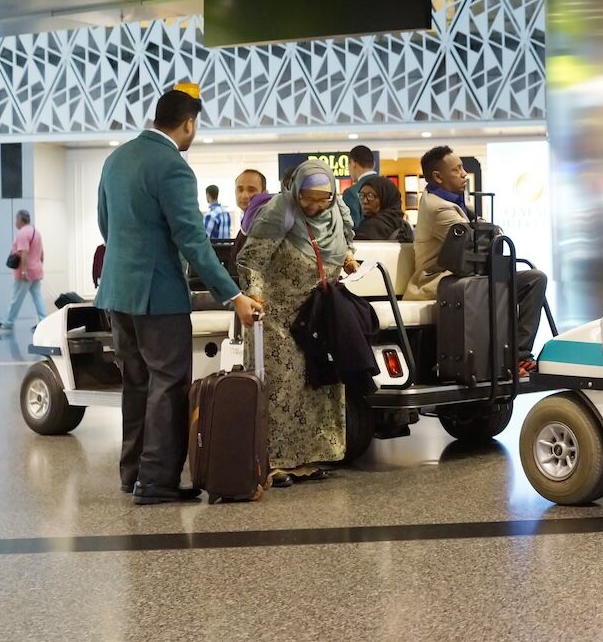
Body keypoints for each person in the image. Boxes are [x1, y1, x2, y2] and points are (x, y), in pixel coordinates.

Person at [96, 85, 262, 505]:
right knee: (168, 383)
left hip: (117, 292)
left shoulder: (116, 159)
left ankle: (132, 471)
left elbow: (106, 225)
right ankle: (155, 483)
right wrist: (233, 296)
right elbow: (191, 240)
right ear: (189, 123)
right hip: (158, 296)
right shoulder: (173, 166)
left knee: (136, 383)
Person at [236, 159, 360, 487]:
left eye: (324, 199)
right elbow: (252, 260)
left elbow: (344, 243)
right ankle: (275, 461)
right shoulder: (280, 212)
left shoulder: (338, 215)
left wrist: (348, 258)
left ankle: (310, 458)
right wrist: (255, 295)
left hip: (318, 315)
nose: (316, 206)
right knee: (282, 389)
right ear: (295, 193)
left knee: (317, 385)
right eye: (308, 198)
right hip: (278, 317)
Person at [405, 145, 547, 371]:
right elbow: (478, 246)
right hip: (439, 280)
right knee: (530, 280)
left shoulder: (451, 201)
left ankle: (514, 354)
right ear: (438, 177)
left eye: (462, 168)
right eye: (456, 170)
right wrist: (489, 231)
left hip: (462, 274)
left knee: (532, 278)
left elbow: (482, 241)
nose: (463, 174)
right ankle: (515, 355)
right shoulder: (439, 208)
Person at [0, 210, 44, 332]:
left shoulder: (22, 233)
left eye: (16, 219)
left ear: (21, 219)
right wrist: (38, 265)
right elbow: (42, 253)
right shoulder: (36, 232)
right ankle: (43, 322)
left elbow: (24, 253)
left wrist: (23, 271)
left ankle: (8, 322)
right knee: (38, 298)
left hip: (26, 272)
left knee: (16, 298)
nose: (15, 222)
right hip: (36, 270)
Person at [354, 175, 414, 243]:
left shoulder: (369, 229)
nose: (364, 201)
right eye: (361, 195)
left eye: (370, 196)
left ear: (385, 198)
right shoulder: (405, 227)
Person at [342, 145, 378, 228]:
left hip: (365, 239)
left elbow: (352, 228)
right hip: (393, 240)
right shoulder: (390, 187)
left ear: (353, 163)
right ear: (374, 163)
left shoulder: (351, 193)